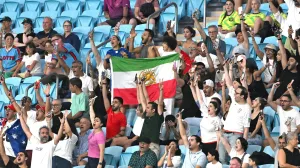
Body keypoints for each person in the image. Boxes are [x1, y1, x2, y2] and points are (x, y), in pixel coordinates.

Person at [219, 63, 251, 164]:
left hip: (236, 136)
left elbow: (246, 128)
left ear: (242, 96)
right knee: (221, 159)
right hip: (225, 133)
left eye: (237, 93)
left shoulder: (247, 108)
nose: (234, 94)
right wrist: (226, 68)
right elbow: (229, 84)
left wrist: (243, 143)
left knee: (233, 161)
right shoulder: (234, 99)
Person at [190, 78, 221, 155]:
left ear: (216, 109)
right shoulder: (206, 114)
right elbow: (199, 100)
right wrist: (196, 86)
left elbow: (219, 136)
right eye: (208, 106)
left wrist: (217, 148)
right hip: (204, 143)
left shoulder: (217, 120)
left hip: (213, 144)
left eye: (210, 106)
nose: (208, 108)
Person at [101, 78, 127, 147]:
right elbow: (105, 97)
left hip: (114, 142)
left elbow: (122, 132)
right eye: (113, 102)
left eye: (116, 102)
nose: (113, 103)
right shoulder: (109, 111)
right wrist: (104, 85)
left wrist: (112, 139)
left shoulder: (122, 116)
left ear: (120, 105)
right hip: (106, 140)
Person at [84, 98, 106, 168]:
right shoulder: (95, 130)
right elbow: (92, 116)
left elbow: (102, 150)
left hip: (96, 160)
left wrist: (100, 163)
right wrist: (91, 105)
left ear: (101, 124)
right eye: (94, 121)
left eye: (97, 121)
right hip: (90, 159)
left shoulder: (100, 135)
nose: (94, 122)